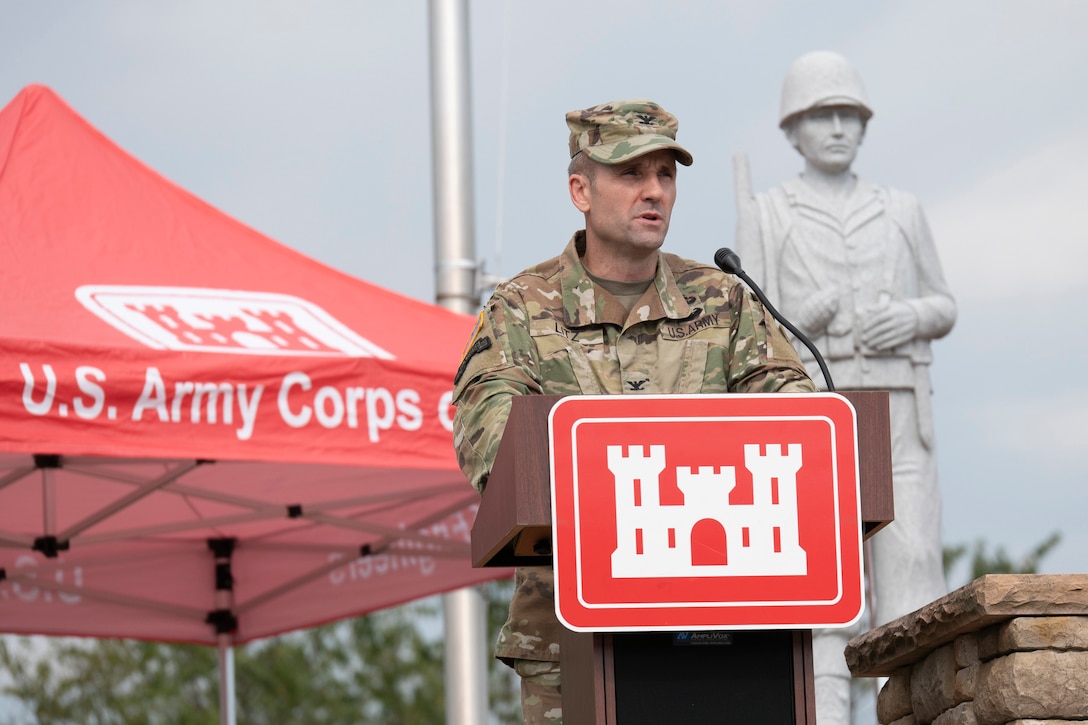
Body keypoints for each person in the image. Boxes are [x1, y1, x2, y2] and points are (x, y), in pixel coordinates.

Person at [453, 98, 816, 724]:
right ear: (580, 190)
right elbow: (489, 437)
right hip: (571, 632)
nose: (654, 192)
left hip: (722, 625)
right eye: (630, 174)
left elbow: (797, 420)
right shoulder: (520, 308)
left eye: (666, 176)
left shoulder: (724, 301)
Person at [735, 51, 957, 724]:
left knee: (913, 574)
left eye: (847, 115)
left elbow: (943, 302)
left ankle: (916, 711)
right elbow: (747, 326)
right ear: (793, 129)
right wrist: (805, 320)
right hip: (812, 418)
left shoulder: (901, 209)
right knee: (821, 583)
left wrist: (912, 315)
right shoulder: (769, 213)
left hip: (896, 404)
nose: (836, 127)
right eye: (820, 115)